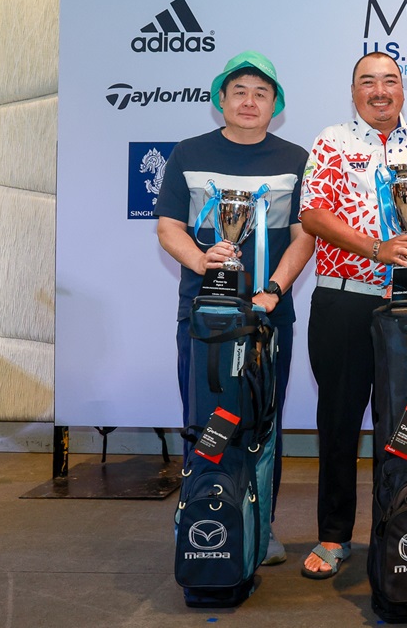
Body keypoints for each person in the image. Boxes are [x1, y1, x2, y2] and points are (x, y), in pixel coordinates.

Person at [298, 51, 407, 579]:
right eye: (367, 81)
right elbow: (312, 214)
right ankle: (333, 535)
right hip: (344, 300)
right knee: (340, 421)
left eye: (389, 80)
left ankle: (401, 525)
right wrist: (377, 249)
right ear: (353, 92)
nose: (379, 90)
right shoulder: (331, 141)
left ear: (402, 90)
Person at [155, 50, 314, 566]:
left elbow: (304, 236)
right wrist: (202, 262)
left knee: (264, 422)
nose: (249, 101)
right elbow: (168, 228)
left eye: (261, 93)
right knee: (202, 419)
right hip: (203, 317)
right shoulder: (188, 153)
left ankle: (259, 525)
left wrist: (274, 288)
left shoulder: (295, 159)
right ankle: (200, 516)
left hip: (268, 318)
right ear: (220, 100)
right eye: (239, 92)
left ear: (275, 104)